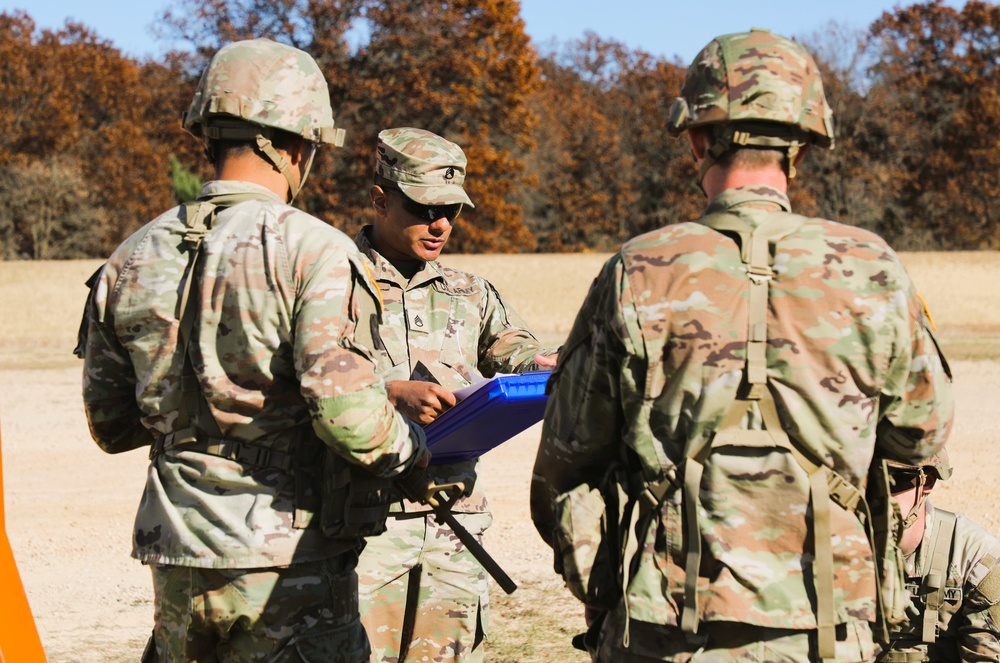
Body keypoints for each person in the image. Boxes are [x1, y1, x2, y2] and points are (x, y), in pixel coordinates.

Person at [530, 28, 954, 663]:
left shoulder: (639, 268)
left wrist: (604, 591)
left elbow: (566, 462)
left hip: (668, 626)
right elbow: (920, 434)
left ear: (697, 137)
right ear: (803, 145)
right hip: (828, 627)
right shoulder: (874, 268)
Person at [79, 39, 427, 662]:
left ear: (209, 136)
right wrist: (415, 451)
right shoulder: (314, 251)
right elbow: (351, 423)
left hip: (176, 551)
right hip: (286, 559)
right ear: (294, 145)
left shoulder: (129, 256)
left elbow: (110, 424)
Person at [352, 127, 556, 663]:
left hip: (453, 529)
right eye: (424, 208)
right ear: (380, 198)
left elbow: (513, 348)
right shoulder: (331, 281)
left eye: (453, 211)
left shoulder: (469, 292)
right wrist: (387, 394)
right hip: (362, 531)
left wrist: (540, 364)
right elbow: (290, 384)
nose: (441, 225)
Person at [878, 452, 1000, 661]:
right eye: (858, 479)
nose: (872, 493)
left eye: (889, 480)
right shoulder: (823, 551)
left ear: (928, 481)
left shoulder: (976, 562)